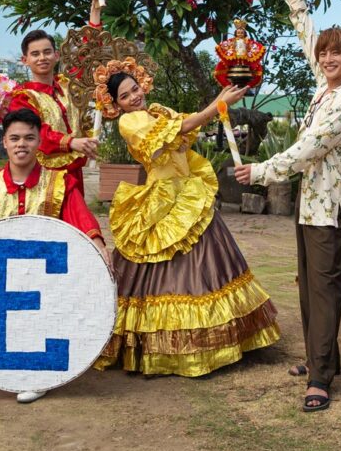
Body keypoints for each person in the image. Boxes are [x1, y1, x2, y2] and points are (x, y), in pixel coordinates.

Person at [93, 64, 280, 379]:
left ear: (143, 86)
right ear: (117, 104)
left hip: (187, 191)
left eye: (134, 89)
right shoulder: (130, 122)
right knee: (160, 271)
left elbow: (187, 125)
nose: (133, 97)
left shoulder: (156, 112)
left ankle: (216, 337)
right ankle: (158, 345)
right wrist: (218, 104)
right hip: (162, 196)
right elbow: (186, 127)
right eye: (124, 96)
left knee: (210, 267)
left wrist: (220, 99)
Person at [235, 0, 341, 412]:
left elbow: (309, 148)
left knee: (325, 289)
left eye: (336, 53)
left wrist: (259, 171)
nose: (327, 58)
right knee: (310, 288)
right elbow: (309, 37)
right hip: (310, 204)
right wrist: (298, 2)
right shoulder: (324, 87)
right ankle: (318, 360)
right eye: (324, 53)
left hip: (330, 205)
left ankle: (322, 377)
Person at [0, 108, 102, 403]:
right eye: (14, 138)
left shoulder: (61, 183)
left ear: (40, 142)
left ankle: (37, 374)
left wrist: (98, 242)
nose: (21, 144)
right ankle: (14, 371)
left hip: (48, 287)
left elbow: (81, 219)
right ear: (4, 142)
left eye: (28, 137)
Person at [6, 0, 105, 243]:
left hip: (73, 173)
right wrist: (71, 142)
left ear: (56, 55)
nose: (42, 58)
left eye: (47, 52)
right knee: (46, 236)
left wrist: (94, 15)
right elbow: (34, 133)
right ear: (25, 60)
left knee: (77, 235)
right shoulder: (22, 97)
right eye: (35, 54)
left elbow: (87, 58)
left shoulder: (66, 85)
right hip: (43, 177)